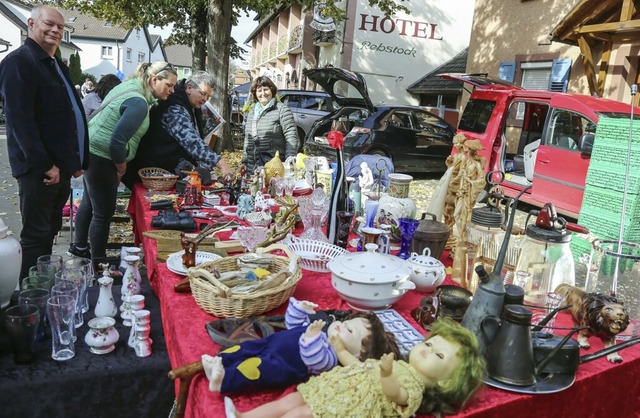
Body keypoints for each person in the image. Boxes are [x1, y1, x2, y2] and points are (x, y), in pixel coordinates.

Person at [224, 318, 486, 418]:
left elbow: (397, 395)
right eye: (429, 343)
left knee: (301, 414)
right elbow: (360, 366)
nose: (426, 348)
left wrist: (386, 375)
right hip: (333, 389)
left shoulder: (414, 387)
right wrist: (339, 350)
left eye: (438, 354)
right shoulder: (395, 364)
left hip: (347, 408)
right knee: (293, 398)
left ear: (445, 382)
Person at [0, 5, 89, 279]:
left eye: (60, 27)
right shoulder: (19, 62)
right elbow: (20, 121)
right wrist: (44, 164)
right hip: (40, 170)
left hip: (58, 168)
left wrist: (76, 161)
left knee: (49, 230)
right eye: (49, 24)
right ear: (30, 23)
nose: (55, 31)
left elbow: (65, 115)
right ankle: (29, 294)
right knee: (36, 234)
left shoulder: (53, 63)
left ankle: (43, 281)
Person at [69, 61, 178, 265]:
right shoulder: (138, 102)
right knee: (103, 213)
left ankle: (80, 248)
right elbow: (117, 142)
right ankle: (99, 265)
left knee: (89, 204)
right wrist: (121, 166)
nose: (172, 90)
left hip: (91, 150)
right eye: (169, 85)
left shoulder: (129, 86)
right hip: (102, 156)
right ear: (154, 80)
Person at [198, 297, 399, 393]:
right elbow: (293, 324)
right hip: (269, 343)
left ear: (356, 354)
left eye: (350, 331)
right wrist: (300, 310)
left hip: (280, 364)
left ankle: (223, 381)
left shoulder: (330, 357)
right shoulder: (321, 328)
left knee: (252, 370)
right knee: (244, 348)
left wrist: (311, 337)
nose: (342, 325)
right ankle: (220, 361)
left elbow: (314, 358)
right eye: (346, 322)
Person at [124, 70, 233, 187]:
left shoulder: (188, 103)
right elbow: (192, 142)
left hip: (166, 169)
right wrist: (221, 163)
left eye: (208, 96)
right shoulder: (173, 108)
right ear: (189, 88)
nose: (205, 99)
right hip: (154, 172)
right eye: (202, 93)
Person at [241, 76, 298, 174]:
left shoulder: (282, 110)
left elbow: (291, 136)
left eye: (266, 89)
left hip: (274, 167)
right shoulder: (252, 112)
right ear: (255, 93)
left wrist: (290, 160)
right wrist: (244, 161)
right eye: (259, 90)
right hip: (253, 167)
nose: (263, 93)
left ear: (272, 90)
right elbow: (248, 139)